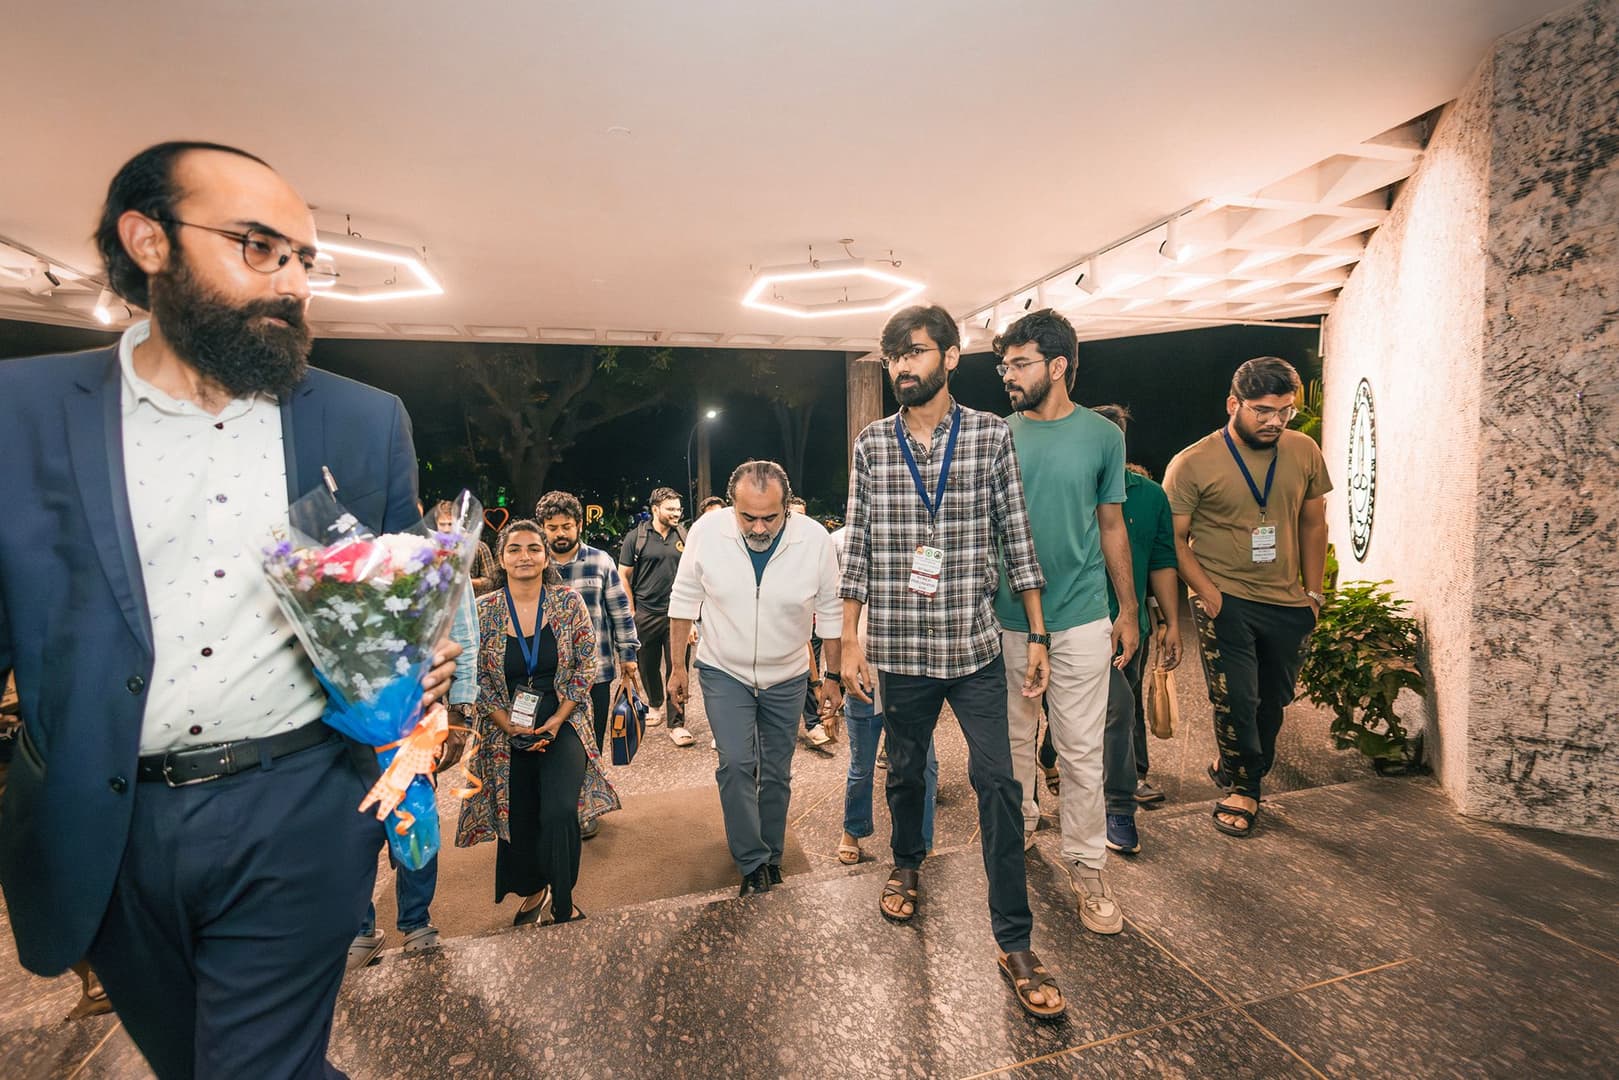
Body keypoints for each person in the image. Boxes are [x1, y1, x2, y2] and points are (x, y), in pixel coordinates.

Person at [0, 141, 462, 1078]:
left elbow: (401, 595)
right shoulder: (20, 413)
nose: (292, 282)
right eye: (259, 248)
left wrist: (421, 664)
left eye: (303, 259)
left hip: (299, 805)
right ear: (149, 241)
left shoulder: (362, 420)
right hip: (103, 821)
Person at [840, 303, 1064, 1020]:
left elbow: (1017, 536)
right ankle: (907, 864)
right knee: (906, 772)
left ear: (950, 355)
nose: (902, 367)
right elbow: (858, 545)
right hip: (901, 649)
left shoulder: (991, 435)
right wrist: (849, 641)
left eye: (914, 352)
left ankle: (1014, 940)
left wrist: (1037, 634)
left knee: (998, 783)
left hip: (973, 649)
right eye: (893, 357)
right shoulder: (873, 444)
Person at [992, 309, 1138, 937]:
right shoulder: (997, 435)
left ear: (1057, 366)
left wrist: (1128, 608)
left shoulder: (1103, 437)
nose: (1008, 375)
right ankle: (1021, 825)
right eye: (1004, 365)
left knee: (1080, 749)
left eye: (1019, 364)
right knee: (1012, 741)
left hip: (1081, 616)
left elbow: (1111, 524)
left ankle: (1087, 863)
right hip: (1006, 618)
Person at [1162, 357, 1331, 838]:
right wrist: (1209, 595)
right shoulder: (1192, 462)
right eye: (1262, 410)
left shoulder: (1303, 450)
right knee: (1236, 698)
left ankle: (1237, 762)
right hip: (1225, 596)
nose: (1275, 421)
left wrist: (1313, 594)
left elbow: (1314, 522)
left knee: (1273, 699)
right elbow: (1174, 539)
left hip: (1288, 600)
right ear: (1233, 404)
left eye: (1285, 410)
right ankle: (1244, 787)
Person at [666, 461, 843, 895]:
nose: (760, 527)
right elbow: (683, 601)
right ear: (732, 506)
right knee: (736, 764)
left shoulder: (814, 539)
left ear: (787, 506)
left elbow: (830, 611)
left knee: (777, 772)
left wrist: (833, 676)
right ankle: (752, 861)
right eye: (748, 517)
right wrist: (676, 668)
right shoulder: (707, 532)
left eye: (771, 517)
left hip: (788, 675)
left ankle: (773, 855)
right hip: (723, 670)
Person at [455, 521, 619, 924]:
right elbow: (475, 675)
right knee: (520, 812)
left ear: (546, 558)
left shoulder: (568, 602)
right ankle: (533, 888)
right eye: (514, 549)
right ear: (501, 558)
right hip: (505, 724)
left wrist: (558, 719)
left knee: (560, 810)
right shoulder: (484, 610)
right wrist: (507, 724)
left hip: (564, 719)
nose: (524, 556)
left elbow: (586, 664)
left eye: (533, 548)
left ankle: (563, 900)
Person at [349, 581, 480, 967]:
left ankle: (416, 921)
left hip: (412, 716)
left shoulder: (433, 560)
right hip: (346, 718)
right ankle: (358, 927)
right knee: (352, 827)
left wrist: (460, 710)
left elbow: (463, 636)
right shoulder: (329, 562)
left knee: (414, 816)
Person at [1088, 406, 1184, 854]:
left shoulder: (1149, 496)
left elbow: (1163, 560)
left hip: (1129, 629)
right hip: (1068, 627)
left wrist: (1170, 623)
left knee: (1122, 710)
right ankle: (1055, 766)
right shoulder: (1069, 488)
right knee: (1076, 712)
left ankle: (1120, 799)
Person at [829, 527, 938, 865]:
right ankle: (853, 829)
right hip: (866, 673)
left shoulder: (924, 544)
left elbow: (931, 602)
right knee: (862, 763)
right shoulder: (846, 542)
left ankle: (922, 837)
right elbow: (836, 609)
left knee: (925, 764)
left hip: (912, 675)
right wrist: (834, 671)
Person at [535, 490, 641, 772]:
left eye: (566, 526)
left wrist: (628, 656)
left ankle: (589, 792)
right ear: (543, 528)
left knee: (592, 742)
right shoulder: (535, 566)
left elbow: (620, 611)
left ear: (579, 525)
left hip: (597, 672)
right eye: (552, 527)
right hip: (547, 674)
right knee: (550, 742)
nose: (560, 533)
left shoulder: (601, 561)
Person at [618, 487, 690, 743]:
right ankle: (656, 702)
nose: (676, 514)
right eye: (670, 509)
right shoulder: (635, 538)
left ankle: (677, 724)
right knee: (647, 666)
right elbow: (623, 575)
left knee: (677, 667)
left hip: (678, 615)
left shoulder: (684, 536)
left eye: (678, 509)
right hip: (646, 613)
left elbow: (694, 576)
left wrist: (692, 619)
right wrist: (632, 610)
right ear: (655, 509)